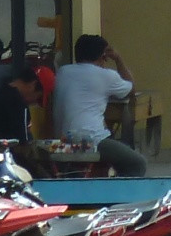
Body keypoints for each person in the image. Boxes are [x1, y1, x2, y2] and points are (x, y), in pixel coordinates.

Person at [51, 33, 145, 175]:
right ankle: (121, 196)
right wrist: (118, 59)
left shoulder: (63, 72)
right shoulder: (106, 76)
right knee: (137, 163)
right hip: (89, 141)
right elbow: (131, 89)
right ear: (103, 56)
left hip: (63, 141)